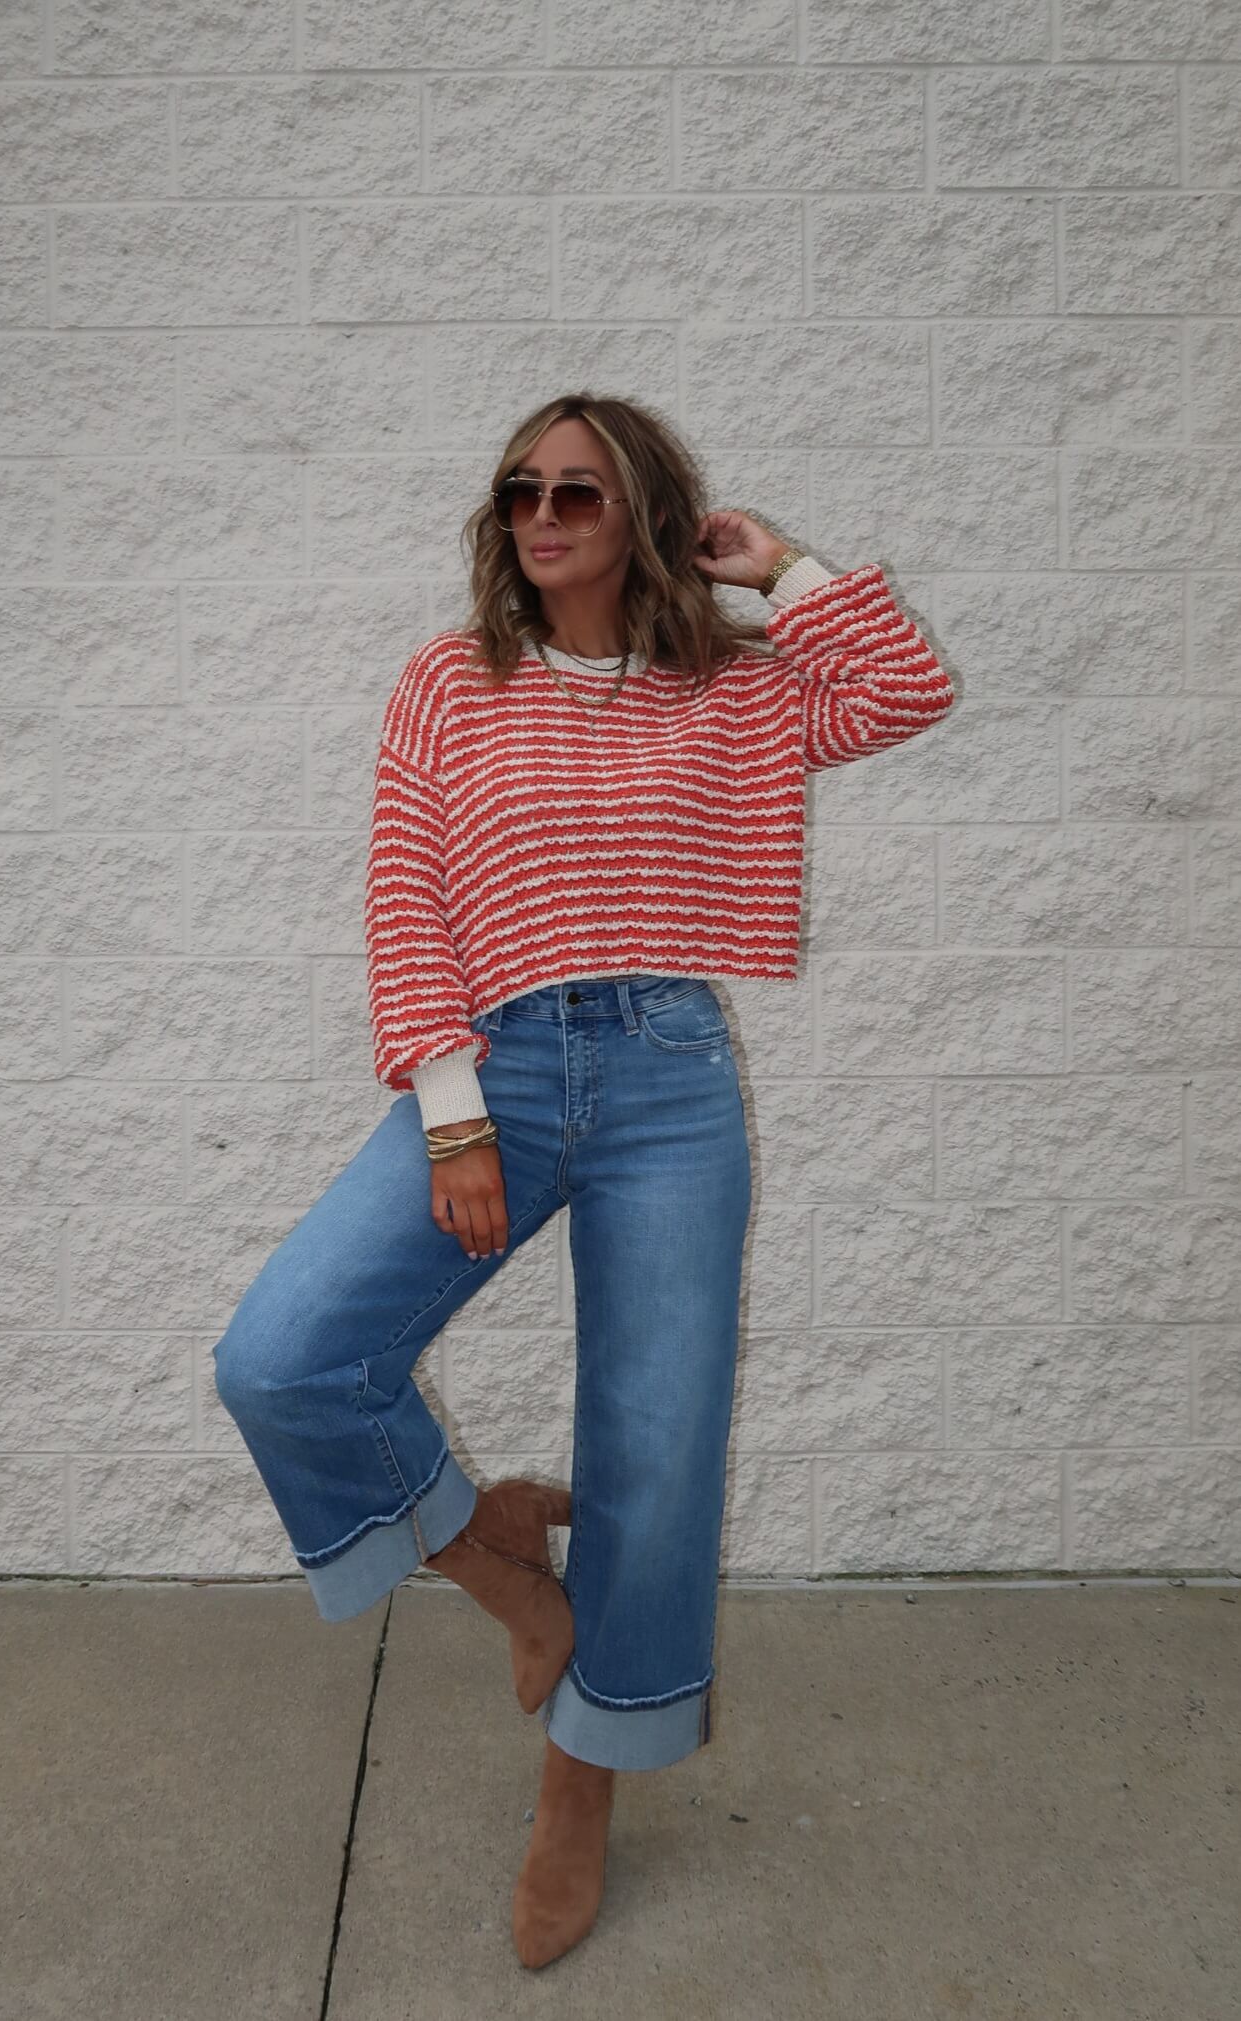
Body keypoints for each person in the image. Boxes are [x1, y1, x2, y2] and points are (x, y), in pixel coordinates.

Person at [212, 390, 958, 1970]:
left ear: (644, 514)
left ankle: (581, 1792)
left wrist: (784, 565)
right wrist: (455, 1112)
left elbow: (906, 686)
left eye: (582, 492)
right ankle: (500, 1560)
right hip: (498, 1064)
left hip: (673, 1077)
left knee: (660, 1446)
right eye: (520, 490)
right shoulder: (451, 682)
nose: (543, 514)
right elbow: (405, 895)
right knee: (285, 1355)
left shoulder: (728, 685)